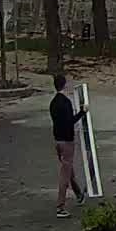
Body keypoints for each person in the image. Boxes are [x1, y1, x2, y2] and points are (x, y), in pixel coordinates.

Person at [50, 73, 88, 218]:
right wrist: (82, 112)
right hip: (67, 141)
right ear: (65, 85)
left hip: (58, 141)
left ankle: (79, 194)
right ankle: (60, 206)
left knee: (68, 169)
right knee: (65, 174)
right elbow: (70, 121)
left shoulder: (53, 102)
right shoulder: (65, 102)